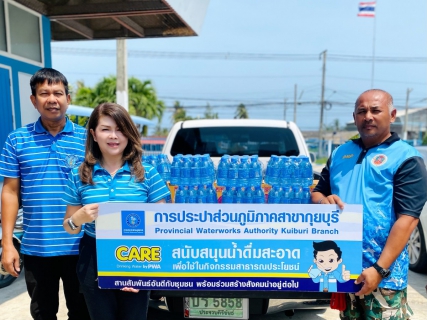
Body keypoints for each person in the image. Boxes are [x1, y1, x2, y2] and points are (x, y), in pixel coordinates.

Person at [312, 89, 427, 320]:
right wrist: (324, 201)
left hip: (384, 277)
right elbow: (317, 192)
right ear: (354, 117)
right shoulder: (340, 153)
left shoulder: (406, 158)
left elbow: (408, 219)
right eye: (362, 111)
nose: (368, 117)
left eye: (376, 110)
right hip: (344, 269)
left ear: (392, 115)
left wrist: (379, 269)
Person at [62, 102, 170, 320]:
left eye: (120, 129)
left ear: (129, 134)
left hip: (138, 256)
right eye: (106, 129)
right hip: (93, 258)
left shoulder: (147, 173)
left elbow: (162, 227)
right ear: (93, 134)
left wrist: (142, 271)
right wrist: (78, 218)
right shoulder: (79, 174)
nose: (114, 136)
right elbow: (69, 227)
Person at [0, 68, 90, 319]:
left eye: (58, 93)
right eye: (44, 93)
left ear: (68, 99)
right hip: (37, 246)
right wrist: (7, 243)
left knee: (83, 312)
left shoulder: (87, 140)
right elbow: (9, 192)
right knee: (42, 312)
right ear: (33, 100)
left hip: (81, 245)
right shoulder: (17, 140)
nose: (52, 99)